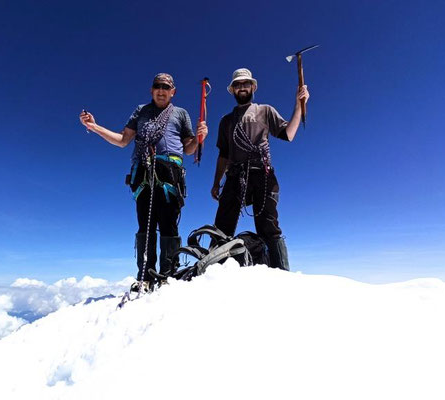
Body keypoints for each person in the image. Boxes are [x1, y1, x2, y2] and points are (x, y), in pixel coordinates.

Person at [79, 73, 208, 291]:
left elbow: (188, 148)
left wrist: (198, 138)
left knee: (168, 223)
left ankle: (168, 274)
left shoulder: (181, 114)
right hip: (143, 172)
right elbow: (122, 140)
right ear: (151, 90)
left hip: (170, 172)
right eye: (157, 86)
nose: (161, 90)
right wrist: (95, 127)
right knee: (145, 225)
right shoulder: (141, 111)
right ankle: (146, 276)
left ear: (173, 91)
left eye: (166, 87)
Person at [210, 68, 309, 271]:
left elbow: (288, 134)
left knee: (268, 226)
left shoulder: (265, 110)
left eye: (245, 83)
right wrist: (216, 183)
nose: (242, 87)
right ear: (233, 90)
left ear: (253, 86)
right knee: (222, 225)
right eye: (237, 84)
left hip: (262, 173)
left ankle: (282, 274)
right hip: (235, 175)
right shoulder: (226, 121)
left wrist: (300, 105)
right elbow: (223, 155)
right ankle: (212, 272)